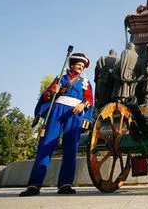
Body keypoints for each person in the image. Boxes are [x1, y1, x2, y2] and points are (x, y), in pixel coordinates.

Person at [19, 53, 94, 196]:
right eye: (79, 64)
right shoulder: (60, 79)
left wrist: (83, 104)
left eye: (83, 66)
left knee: (71, 148)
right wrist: (53, 92)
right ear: (72, 65)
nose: (81, 67)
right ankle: (34, 184)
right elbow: (46, 96)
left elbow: (90, 98)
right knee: (45, 146)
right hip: (57, 112)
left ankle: (65, 184)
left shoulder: (85, 82)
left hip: (75, 114)